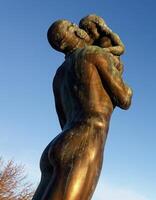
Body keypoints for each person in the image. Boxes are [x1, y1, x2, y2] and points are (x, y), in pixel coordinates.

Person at [32, 19, 132, 200]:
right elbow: (124, 99)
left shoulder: (59, 75)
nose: (79, 30)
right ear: (66, 40)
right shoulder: (93, 53)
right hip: (86, 140)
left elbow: (63, 121)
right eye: (72, 28)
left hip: (57, 145)